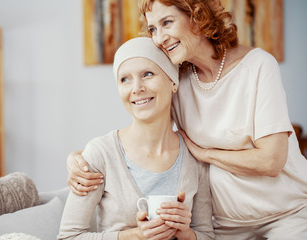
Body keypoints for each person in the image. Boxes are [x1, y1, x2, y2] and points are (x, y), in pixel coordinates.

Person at [66, 0, 307, 239]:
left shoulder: (258, 66)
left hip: (286, 213)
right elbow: (144, 135)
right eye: (152, 29)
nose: (159, 38)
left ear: (198, 16)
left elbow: (272, 161)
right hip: (225, 224)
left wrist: (206, 155)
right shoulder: (178, 81)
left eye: (167, 23)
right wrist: (79, 160)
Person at [58, 37, 214, 240]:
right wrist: (134, 236)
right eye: (125, 79)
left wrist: (185, 232)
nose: (136, 88)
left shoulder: (194, 155)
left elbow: (207, 236)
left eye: (147, 74)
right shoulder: (101, 154)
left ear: (172, 82)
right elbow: (68, 236)